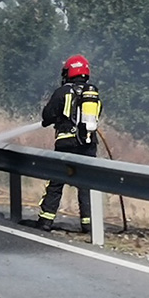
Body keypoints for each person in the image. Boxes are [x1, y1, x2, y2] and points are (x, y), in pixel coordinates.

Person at [36, 54, 102, 232]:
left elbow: (47, 115)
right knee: (85, 184)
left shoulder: (62, 92)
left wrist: (56, 118)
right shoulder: (92, 93)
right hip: (88, 144)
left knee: (57, 182)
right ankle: (89, 225)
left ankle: (45, 221)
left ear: (68, 72)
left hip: (66, 144)